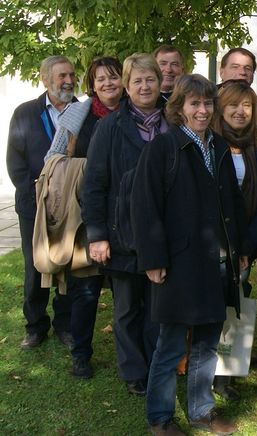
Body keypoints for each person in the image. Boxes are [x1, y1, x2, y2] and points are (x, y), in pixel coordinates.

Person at [132, 74, 247, 436]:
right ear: (179, 108)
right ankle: (160, 418)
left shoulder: (220, 147)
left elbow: (233, 204)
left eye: (207, 103)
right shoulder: (163, 149)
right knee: (169, 345)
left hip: (217, 262)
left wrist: (240, 250)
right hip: (179, 264)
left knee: (207, 342)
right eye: (194, 103)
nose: (202, 110)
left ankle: (201, 411)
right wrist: (153, 259)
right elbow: (145, 207)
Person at [82, 53, 167, 396]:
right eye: (137, 81)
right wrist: (97, 235)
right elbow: (94, 184)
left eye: (150, 79)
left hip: (163, 233)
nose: (144, 86)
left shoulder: (174, 122)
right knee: (128, 308)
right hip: (122, 234)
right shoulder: (110, 126)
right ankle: (134, 371)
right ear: (127, 87)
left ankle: (156, 365)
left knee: (158, 307)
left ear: (159, 82)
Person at [45, 56, 125, 379]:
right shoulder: (78, 114)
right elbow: (52, 159)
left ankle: (129, 357)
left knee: (125, 292)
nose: (108, 84)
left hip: (125, 216)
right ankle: (81, 355)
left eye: (113, 77)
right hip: (86, 215)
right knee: (86, 291)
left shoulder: (135, 113)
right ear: (92, 84)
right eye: (100, 79)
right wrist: (85, 169)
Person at [210, 79, 257, 400]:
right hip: (211, 243)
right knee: (208, 306)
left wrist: (247, 245)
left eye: (246, 105)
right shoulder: (208, 144)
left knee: (235, 304)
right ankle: (199, 366)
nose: (240, 111)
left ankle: (225, 374)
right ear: (220, 109)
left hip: (244, 246)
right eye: (233, 105)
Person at [7, 55, 76, 350]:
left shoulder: (82, 111)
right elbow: (15, 160)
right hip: (33, 206)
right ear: (45, 79)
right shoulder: (25, 113)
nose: (69, 81)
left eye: (71, 75)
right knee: (35, 266)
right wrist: (33, 194)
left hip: (70, 206)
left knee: (68, 265)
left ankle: (65, 325)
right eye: (62, 76)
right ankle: (35, 326)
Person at [219, 47, 257, 139]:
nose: (242, 72)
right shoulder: (208, 101)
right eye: (235, 67)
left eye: (247, 68)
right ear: (221, 72)